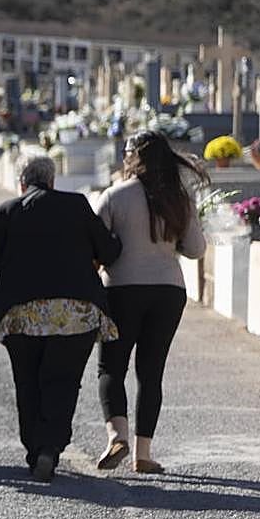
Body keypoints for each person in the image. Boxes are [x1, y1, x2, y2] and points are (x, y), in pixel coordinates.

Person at [0, 155, 122, 481]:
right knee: (63, 381)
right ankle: (51, 446)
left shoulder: (6, 211)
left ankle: (34, 450)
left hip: (22, 316)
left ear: (22, 183)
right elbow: (109, 251)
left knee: (27, 381)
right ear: (52, 181)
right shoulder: (76, 206)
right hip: (75, 312)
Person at [91, 130, 208, 474]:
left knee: (112, 366)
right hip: (169, 291)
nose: (123, 157)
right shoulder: (179, 197)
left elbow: (95, 246)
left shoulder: (115, 196)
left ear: (135, 156)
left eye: (126, 151)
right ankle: (143, 454)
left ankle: (117, 435)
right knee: (151, 371)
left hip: (121, 289)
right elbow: (196, 249)